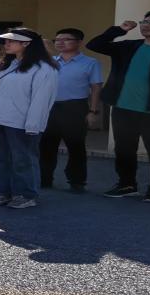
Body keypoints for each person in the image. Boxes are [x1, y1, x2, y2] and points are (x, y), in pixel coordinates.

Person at [87, 11, 150, 202]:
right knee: (124, 149)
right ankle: (127, 184)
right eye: (144, 21)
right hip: (123, 108)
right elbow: (94, 45)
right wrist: (119, 30)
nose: (146, 25)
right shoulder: (128, 46)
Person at [0, 29, 59, 209]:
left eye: (11, 41)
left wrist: (33, 125)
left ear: (26, 43)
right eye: (5, 41)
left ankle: (26, 195)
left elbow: (41, 99)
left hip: (21, 122)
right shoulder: (3, 64)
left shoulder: (44, 68)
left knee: (23, 159)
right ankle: (3, 192)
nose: (6, 44)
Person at [40, 28, 103, 193]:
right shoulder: (50, 61)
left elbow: (96, 87)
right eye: (57, 40)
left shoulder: (90, 62)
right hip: (50, 107)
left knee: (76, 146)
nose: (60, 42)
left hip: (75, 107)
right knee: (46, 145)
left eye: (66, 39)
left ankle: (77, 181)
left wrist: (93, 111)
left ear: (79, 42)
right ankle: (44, 178)